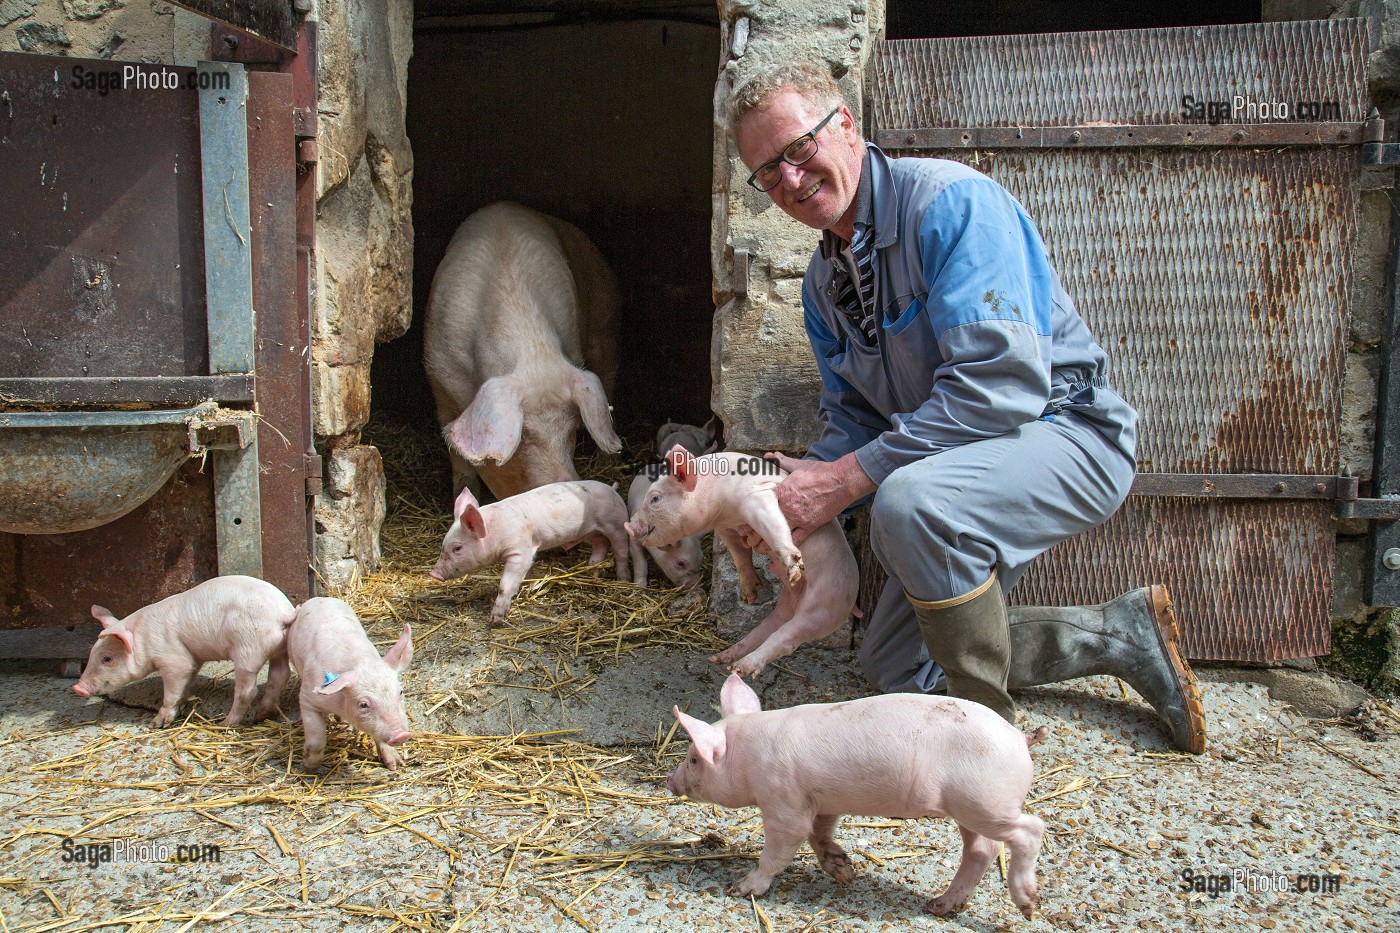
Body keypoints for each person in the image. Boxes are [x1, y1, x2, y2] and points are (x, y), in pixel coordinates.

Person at [729, 62, 1206, 753]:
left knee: (911, 501)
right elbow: (855, 420)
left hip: (1066, 432)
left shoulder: (950, 205)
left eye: (798, 149)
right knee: (897, 668)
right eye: (767, 172)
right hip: (954, 466)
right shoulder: (822, 285)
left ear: (847, 126)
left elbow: (1001, 387)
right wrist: (784, 495)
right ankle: (1117, 634)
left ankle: (987, 753)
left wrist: (842, 482)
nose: (789, 181)